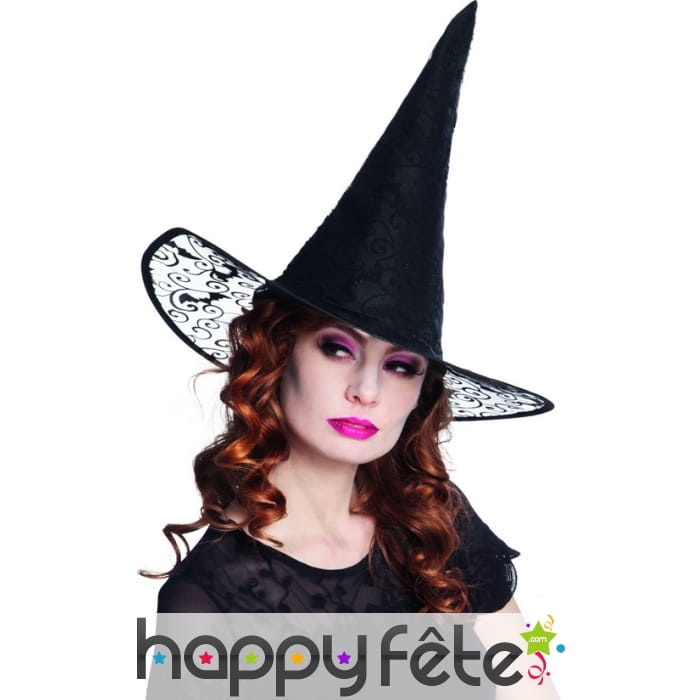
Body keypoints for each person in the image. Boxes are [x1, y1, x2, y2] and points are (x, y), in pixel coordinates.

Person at [140, 2, 553, 615]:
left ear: (420, 393)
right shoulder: (210, 596)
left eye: (402, 365)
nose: (367, 390)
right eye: (337, 349)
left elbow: (529, 665)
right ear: (280, 353)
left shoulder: (435, 525)